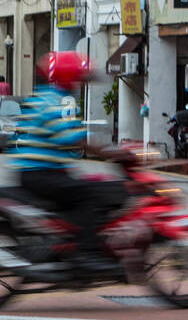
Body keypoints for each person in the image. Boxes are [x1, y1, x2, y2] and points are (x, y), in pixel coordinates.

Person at [11, 52, 124, 275]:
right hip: (41, 174)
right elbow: (72, 137)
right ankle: (88, 253)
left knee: (87, 185)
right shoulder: (58, 101)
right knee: (89, 195)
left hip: (41, 172)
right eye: (78, 78)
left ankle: (71, 242)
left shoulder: (44, 96)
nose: (80, 83)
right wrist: (111, 153)